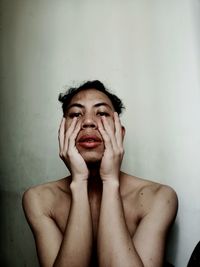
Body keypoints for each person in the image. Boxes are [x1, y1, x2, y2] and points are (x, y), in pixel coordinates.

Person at [22, 80, 178, 267]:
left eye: (102, 113)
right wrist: (79, 181)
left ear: (119, 133)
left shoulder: (158, 197)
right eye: (76, 114)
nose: (88, 122)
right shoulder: (40, 199)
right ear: (62, 132)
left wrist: (110, 181)